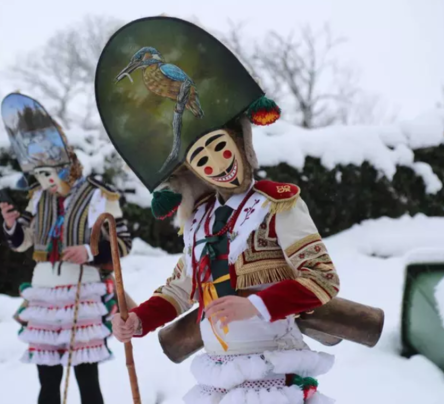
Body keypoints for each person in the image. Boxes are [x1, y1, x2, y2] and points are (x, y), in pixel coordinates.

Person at [94, 17, 339, 404]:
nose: (216, 163)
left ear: (240, 146)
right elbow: (180, 290)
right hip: (218, 376)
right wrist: (139, 320)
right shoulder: (199, 220)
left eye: (221, 148)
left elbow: (322, 279)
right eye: (202, 159)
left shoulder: (278, 204)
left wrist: (255, 305)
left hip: (272, 370)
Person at [0, 92, 132, 404]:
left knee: (86, 377)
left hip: (82, 292)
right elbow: (22, 241)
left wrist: (89, 251)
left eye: (49, 173)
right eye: (39, 174)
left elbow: (122, 243)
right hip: (44, 294)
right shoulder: (38, 198)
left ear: (67, 167)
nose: (46, 181)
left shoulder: (100, 196)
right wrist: (11, 224)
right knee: (47, 379)